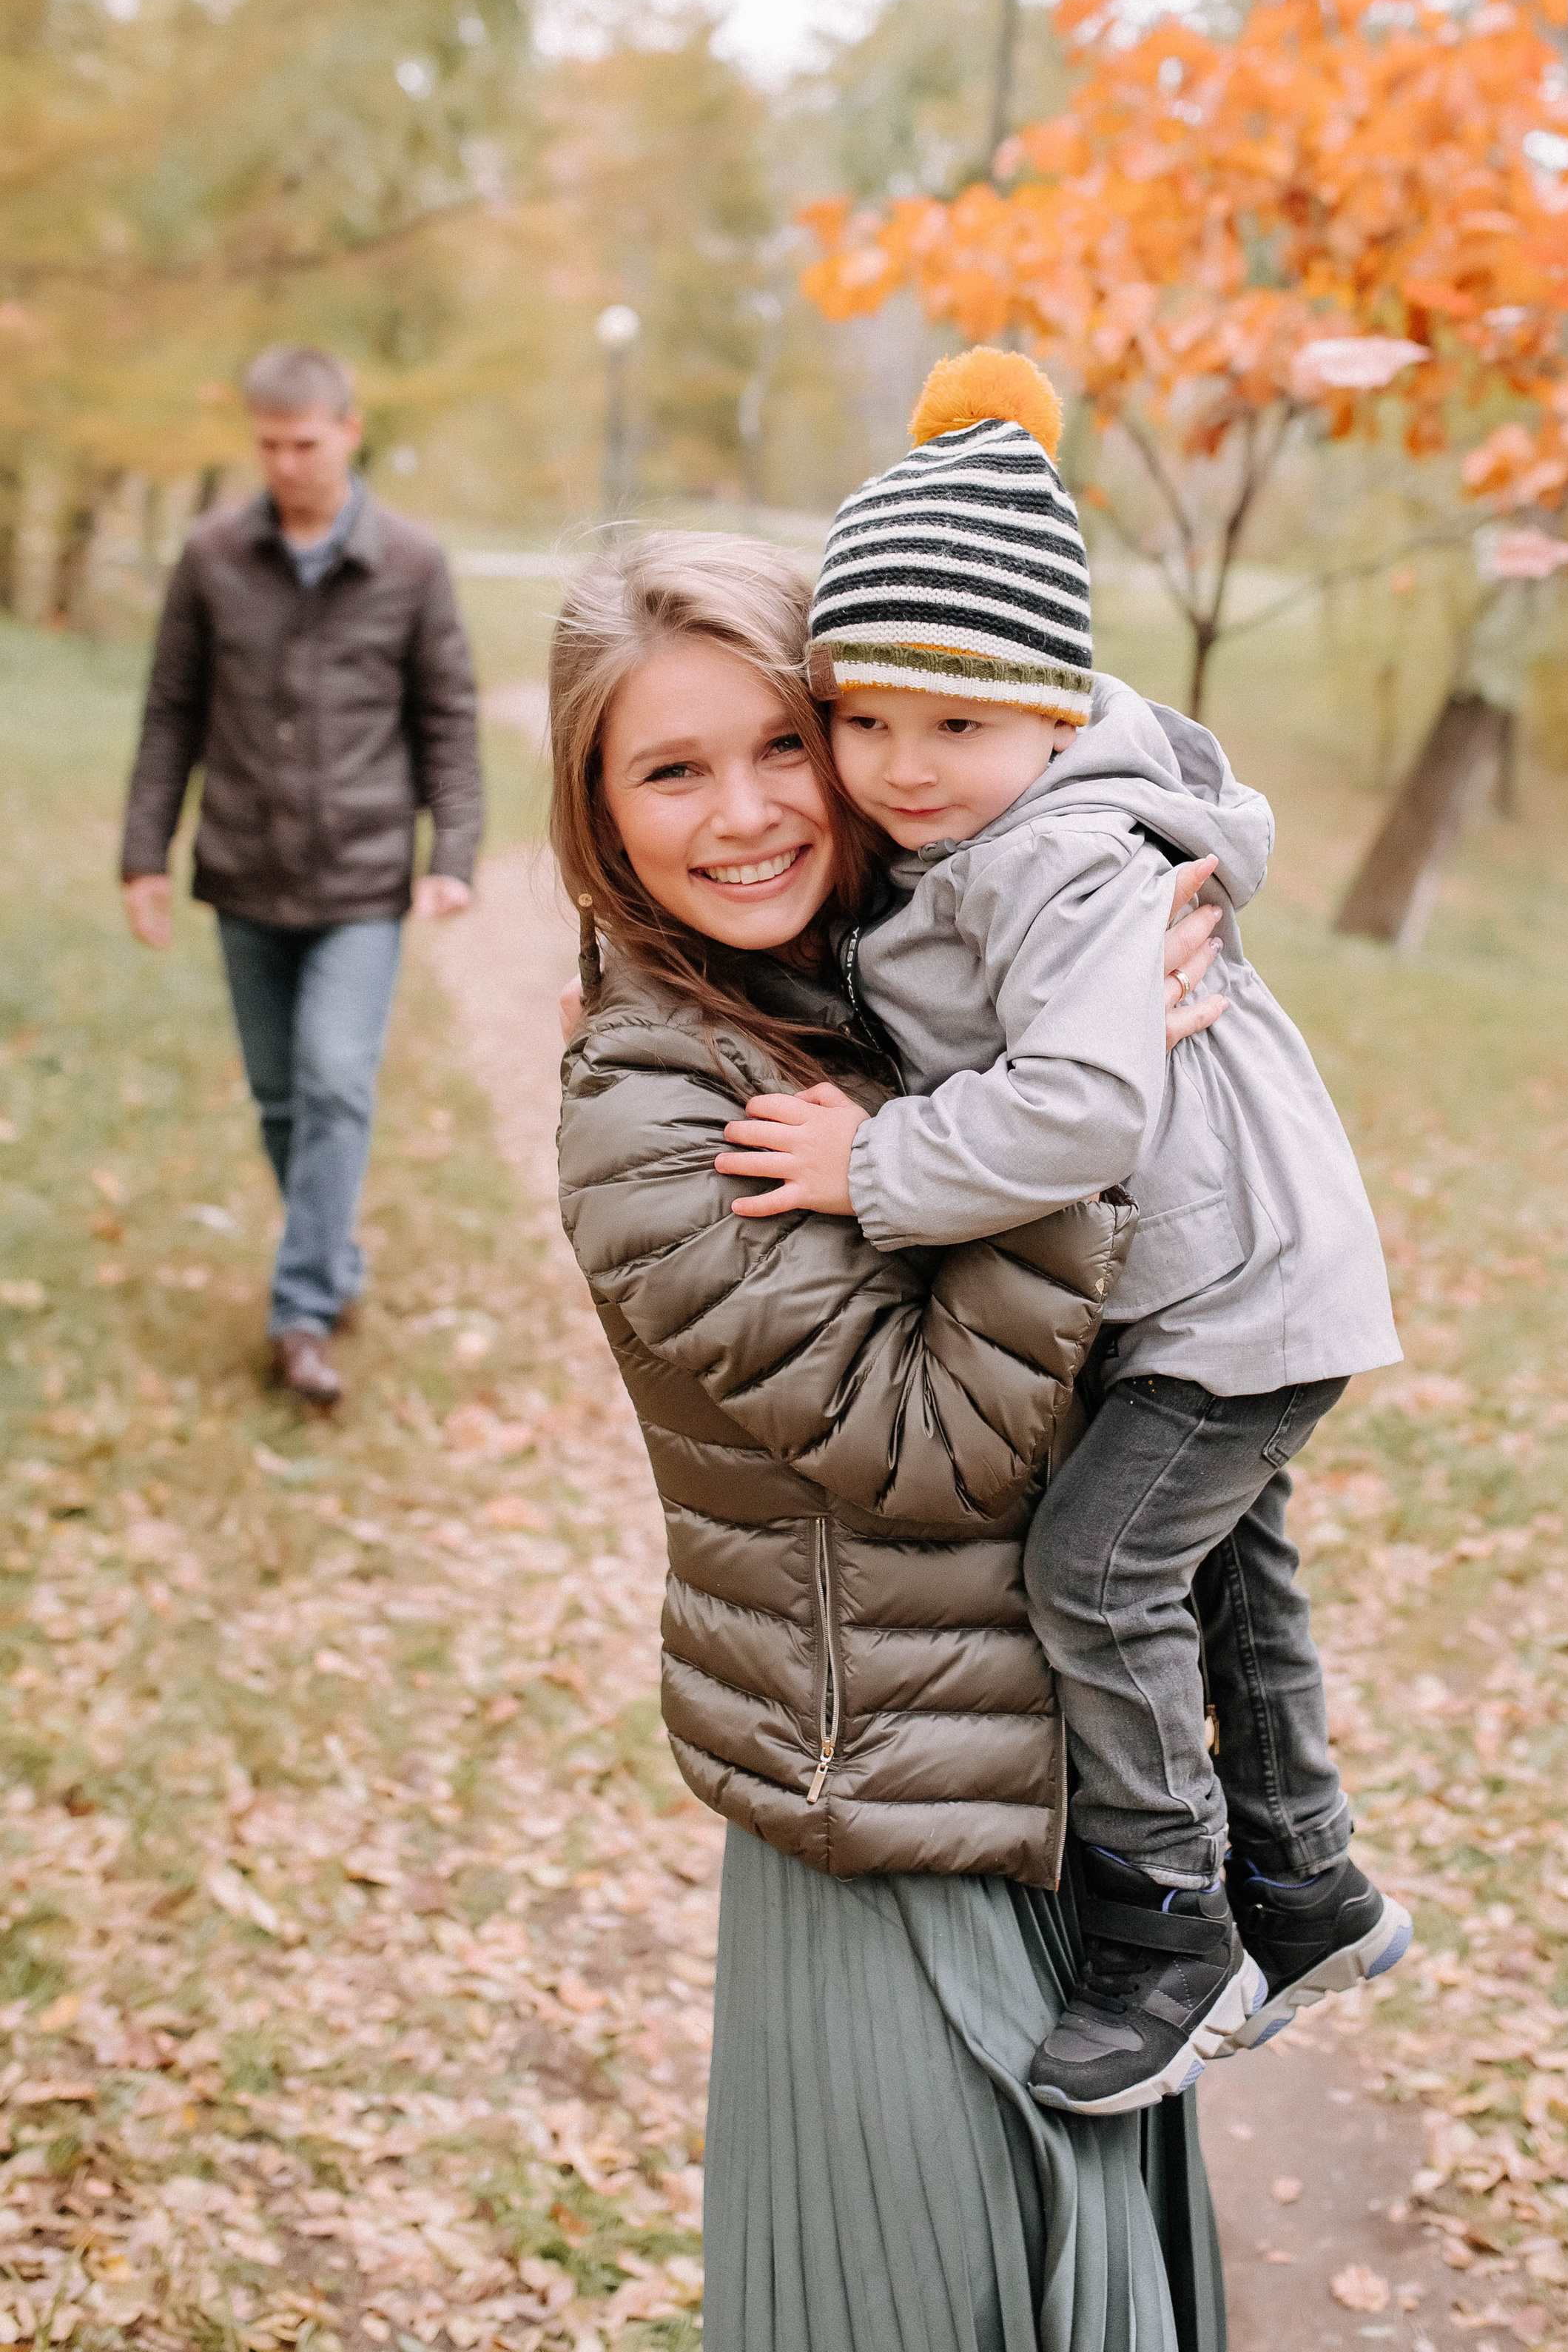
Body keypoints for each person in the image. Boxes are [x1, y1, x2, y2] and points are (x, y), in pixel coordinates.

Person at [550, 531, 1230, 2352]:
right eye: (670, 772)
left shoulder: (921, 985)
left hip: (1049, 1782)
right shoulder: (650, 1105)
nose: (747, 813)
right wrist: (1077, 1136)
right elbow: (930, 1444)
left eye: (786, 744)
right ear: (602, 820)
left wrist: (1082, 1034)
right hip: (884, 1816)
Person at [713, 346, 1410, 2120]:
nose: (898, 767)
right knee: (1223, 1571)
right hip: (1242, 1278)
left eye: (952, 727)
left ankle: (1169, 1933)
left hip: (1225, 1291)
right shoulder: (1004, 830)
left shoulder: (1059, 860)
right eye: (862, 719)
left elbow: (1086, 1108)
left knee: (1094, 1578)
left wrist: (879, 1160)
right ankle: (1311, 1888)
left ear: (1046, 711)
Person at [120, 344, 482, 1411]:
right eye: (269, 445)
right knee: (283, 1102)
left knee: (333, 1079)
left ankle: (302, 1313)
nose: (287, 464)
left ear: (349, 431)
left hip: (362, 881)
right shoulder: (212, 556)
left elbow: (449, 723)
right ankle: (336, 1260)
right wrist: (145, 852)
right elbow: (170, 711)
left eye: (306, 443)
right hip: (241, 869)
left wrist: (452, 855)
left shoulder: (412, 563)